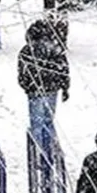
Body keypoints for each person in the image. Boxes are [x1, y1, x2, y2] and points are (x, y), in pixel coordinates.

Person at [19, 18, 70, 172]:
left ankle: (39, 156)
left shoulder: (27, 51)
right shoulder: (55, 49)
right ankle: (52, 152)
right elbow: (63, 69)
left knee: (37, 124)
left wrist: (27, 87)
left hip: (35, 92)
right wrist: (65, 87)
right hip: (52, 90)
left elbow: (22, 74)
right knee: (48, 122)